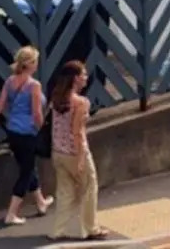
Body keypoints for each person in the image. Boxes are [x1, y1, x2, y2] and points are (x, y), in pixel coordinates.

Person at [0, 46, 54, 225]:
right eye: (35, 61)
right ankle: (11, 214)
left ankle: (41, 202)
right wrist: (44, 131)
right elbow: (37, 114)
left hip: (13, 132)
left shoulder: (10, 81)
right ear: (30, 64)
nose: (37, 64)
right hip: (28, 133)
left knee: (28, 167)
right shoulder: (34, 85)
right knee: (26, 172)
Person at [48, 61, 108, 241]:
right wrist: (81, 157)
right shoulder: (81, 102)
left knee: (65, 191)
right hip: (75, 152)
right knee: (89, 187)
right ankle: (90, 228)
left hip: (58, 151)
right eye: (83, 74)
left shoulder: (57, 97)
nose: (86, 77)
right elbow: (77, 131)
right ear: (75, 78)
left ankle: (57, 230)